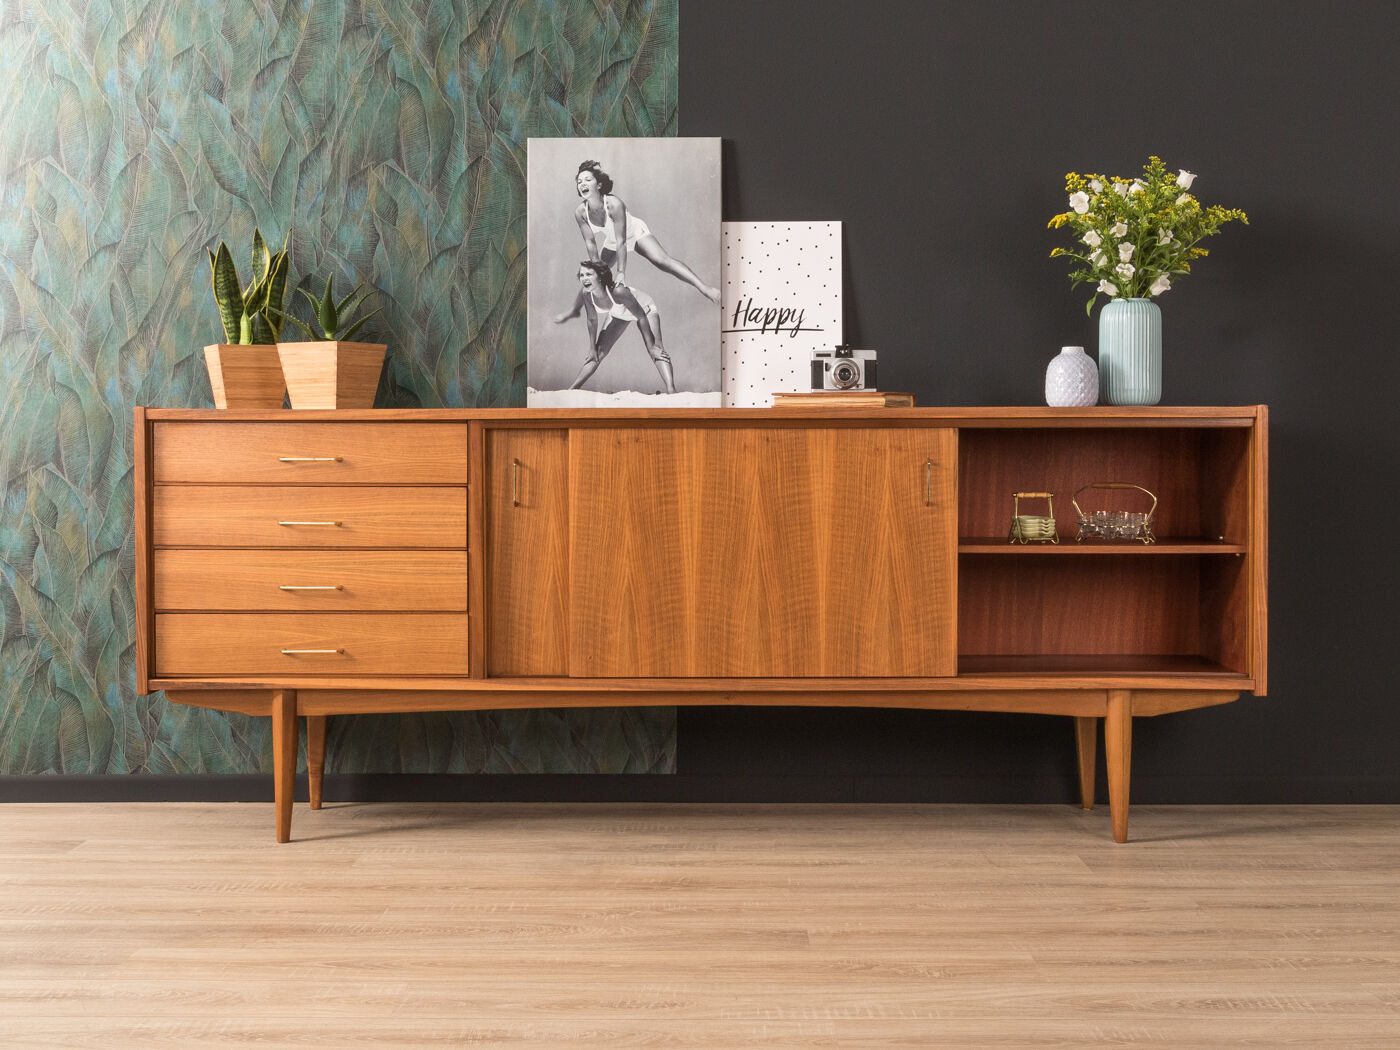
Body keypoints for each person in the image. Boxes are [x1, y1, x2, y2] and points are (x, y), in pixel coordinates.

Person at [573, 159, 721, 306]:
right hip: (613, 241)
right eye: (579, 182)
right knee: (594, 277)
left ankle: (705, 288)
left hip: (634, 233)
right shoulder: (581, 212)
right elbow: (590, 243)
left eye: (587, 179)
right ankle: (584, 310)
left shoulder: (614, 204)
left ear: (599, 185)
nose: (583, 184)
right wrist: (596, 270)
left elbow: (622, 241)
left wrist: (621, 273)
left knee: (662, 261)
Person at [554, 261, 675, 393]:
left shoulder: (618, 291)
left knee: (657, 349)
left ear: (600, 276)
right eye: (582, 275)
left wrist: (651, 347)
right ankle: (572, 390)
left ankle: (671, 391)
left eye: (589, 274)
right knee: (597, 353)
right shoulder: (586, 294)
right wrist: (591, 348)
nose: (584, 278)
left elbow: (640, 316)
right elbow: (592, 320)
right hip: (619, 313)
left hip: (644, 310)